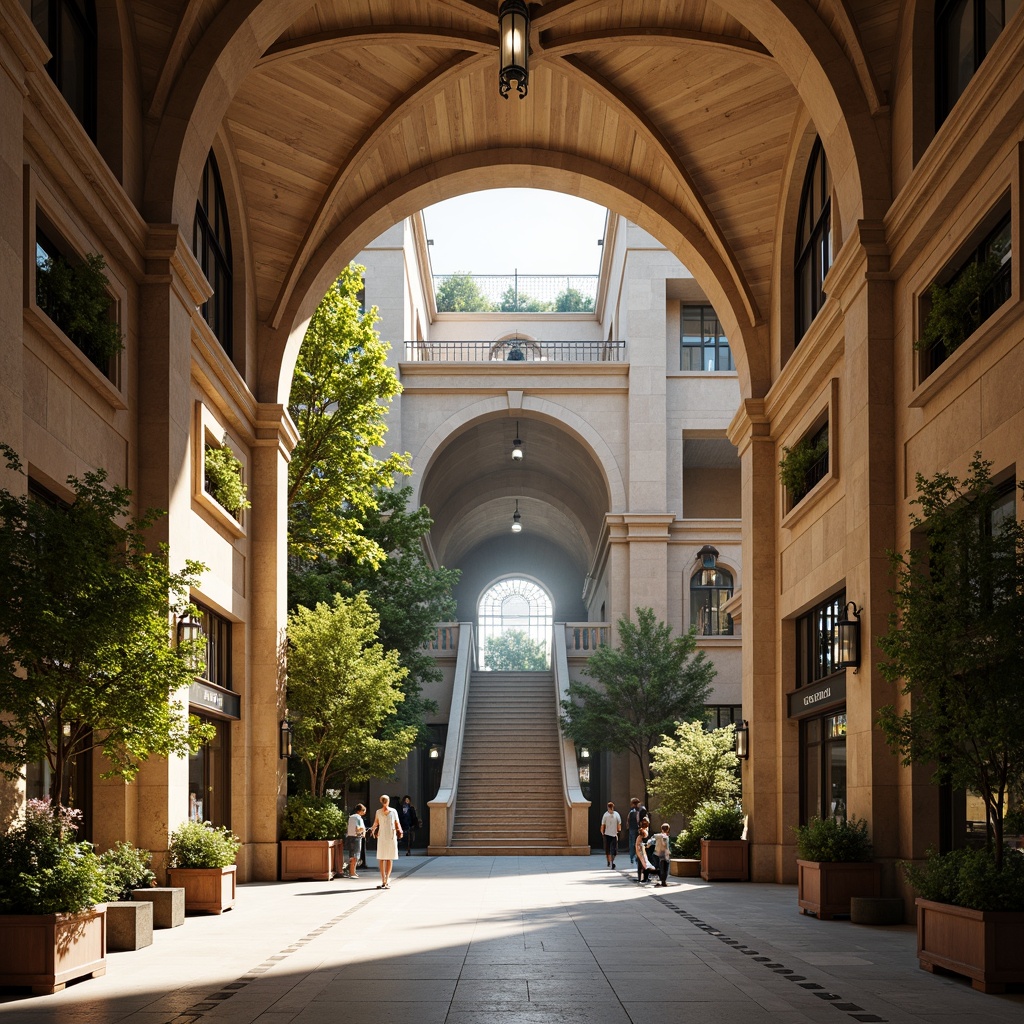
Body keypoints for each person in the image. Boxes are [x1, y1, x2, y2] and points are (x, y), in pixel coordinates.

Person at [370, 793, 402, 889]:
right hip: (385, 836)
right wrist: (372, 830)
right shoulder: (380, 812)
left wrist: (372, 830)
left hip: (388, 835)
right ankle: (385, 880)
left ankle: (385, 880)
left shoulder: (391, 811)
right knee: (385, 858)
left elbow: (396, 822)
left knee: (386, 857)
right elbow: (376, 823)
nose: (385, 802)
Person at [344, 803, 366, 878]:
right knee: (355, 856)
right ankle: (352, 872)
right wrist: (363, 831)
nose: (364, 812)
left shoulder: (351, 817)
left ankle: (352, 871)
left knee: (351, 854)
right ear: (360, 811)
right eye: (364, 811)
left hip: (350, 836)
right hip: (357, 837)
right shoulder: (358, 818)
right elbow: (359, 828)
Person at [600, 801, 621, 869]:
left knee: (613, 850)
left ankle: (611, 861)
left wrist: (618, 831)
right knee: (608, 849)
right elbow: (603, 824)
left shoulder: (616, 815)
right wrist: (602, 831)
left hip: (614, 834)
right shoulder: (606, 815)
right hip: (607, 834)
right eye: (610, 808)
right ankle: (609, 861)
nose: (610, 809)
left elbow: (619, 824)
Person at [653, 822, 672, 887]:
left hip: (657, 854)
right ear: (668, 830)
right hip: (664, 854)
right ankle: (664, 881)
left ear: (661, 829)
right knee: (665, 868)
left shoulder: (657, 835)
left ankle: (660, 880)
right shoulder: (665, 837)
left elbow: (652, 841)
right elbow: (665, 845)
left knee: (659, 868)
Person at [626, 797, 642, 865]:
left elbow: (628, 820)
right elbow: (638, 820)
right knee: (637, 843)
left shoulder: (631, 811)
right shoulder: (639, 811)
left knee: (632, 843)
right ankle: (636, 857)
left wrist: (628, 827)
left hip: (632, 829)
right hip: (637, 829)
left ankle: (632, 858)